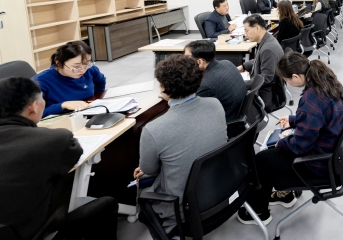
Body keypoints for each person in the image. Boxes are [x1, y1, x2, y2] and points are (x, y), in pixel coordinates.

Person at [238, 52, 343, 225]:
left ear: (296, 77)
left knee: (262, 159)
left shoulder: (311, 99)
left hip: (317, 163)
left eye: (286, 80)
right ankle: (285, 194)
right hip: (332, 154)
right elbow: (321, 116)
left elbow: (300, 146)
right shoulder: (328, 82)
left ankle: (259, 211)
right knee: (273, 154)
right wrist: (293, 120)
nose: (287, 83)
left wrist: (281, 142)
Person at [0, 77, 118, 240]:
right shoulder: (53, 140)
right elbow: (72, 154)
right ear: (33, 107)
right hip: (30, 233)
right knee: (107, 204)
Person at [134, 55, 227, 234]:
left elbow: (149, 169)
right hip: (219, 192)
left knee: (143, 192)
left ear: (164, 88)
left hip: (182, 211)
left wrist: (146, 168)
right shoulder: (215, 104)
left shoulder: (153, 129)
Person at [33, 41, 106, 117]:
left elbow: (101, 82)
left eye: (87, 64)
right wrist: (62, 106)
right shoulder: (40, 82)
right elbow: (33, 114)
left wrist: (94, 100)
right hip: (60, 119)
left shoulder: (90, 70)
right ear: (59, 64)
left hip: (86, 114)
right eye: (76, 67)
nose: (83, 70)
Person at [185, 40, 246, 123]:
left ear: (200, 62)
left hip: (227, 124)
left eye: (187, 58)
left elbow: (194, 113)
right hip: (240, 115)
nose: (184, 61)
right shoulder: (227, 63)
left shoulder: (206, 85)